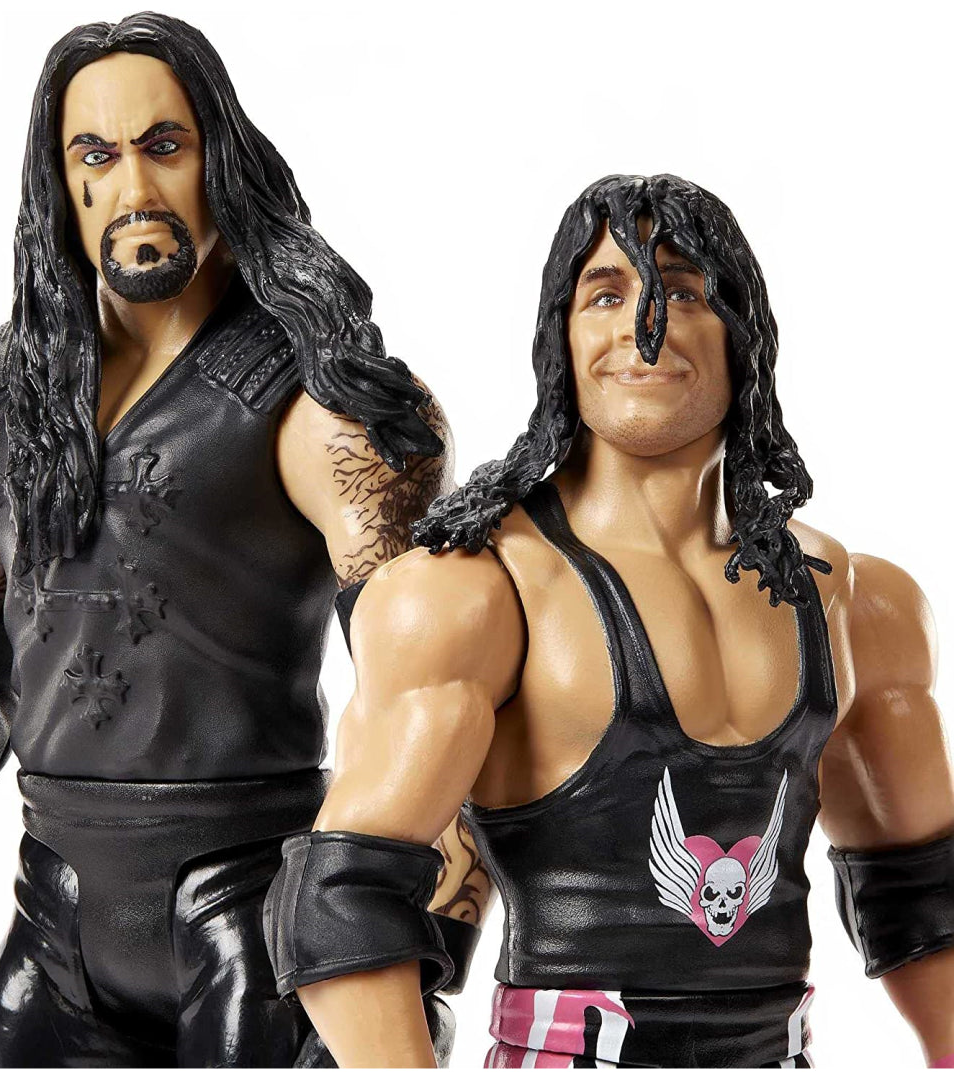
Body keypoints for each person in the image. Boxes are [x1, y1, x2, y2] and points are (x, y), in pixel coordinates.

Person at [0, 12, 462, 1067]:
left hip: (252, 922)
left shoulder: (327, 409)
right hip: (52, 915)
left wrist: (409, 971)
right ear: (61, 183)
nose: (134, 187)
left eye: (165, 145)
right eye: (96, 154)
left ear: (217, 159)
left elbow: (441, 708)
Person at [264, 174, 954, 1068]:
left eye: (684, 291)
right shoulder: (470, 593)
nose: (645, 325)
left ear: (744, 333)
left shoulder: (857, 601)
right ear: (561, 337)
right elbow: (338, 905)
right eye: (606, 294)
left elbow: (925, 895)